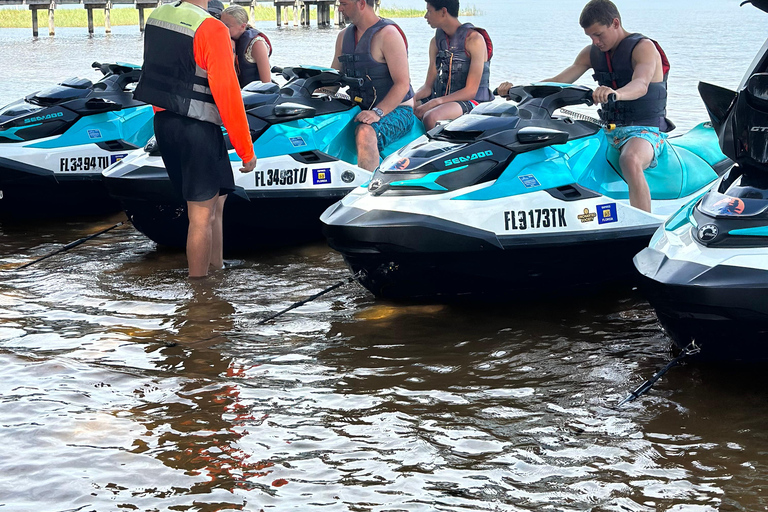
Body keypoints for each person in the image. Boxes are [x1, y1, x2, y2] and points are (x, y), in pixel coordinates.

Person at [498, 0, 670, 213]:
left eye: (599, 34)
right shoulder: (591, 53)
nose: (595, 41)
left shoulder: (643, 48)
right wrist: (519, 90)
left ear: (615, 23)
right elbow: (558, 81)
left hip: (645, 129)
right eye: (590, 36)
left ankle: (645, 226)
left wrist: (615, 93)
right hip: (609, 128)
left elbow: (641, 85)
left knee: (630, 159)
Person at [134, 0, 258, 278]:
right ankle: (200, 294)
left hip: (165, 123)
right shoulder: (211, 28)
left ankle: (217, 269)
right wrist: (246, 151)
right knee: (201, 216)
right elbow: (228, 94)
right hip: (197, 129)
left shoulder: (158, 16)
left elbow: (157, 73)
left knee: (217, 203)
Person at [331, 0, 416, 171]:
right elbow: (333, 77)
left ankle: (368, 190)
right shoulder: (343, 37)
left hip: (398, 110)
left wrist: (377, 112)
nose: (339, 8)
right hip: (360, 107)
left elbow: (402, 84)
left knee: (365, 133)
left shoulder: (389, 35)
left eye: (344, 4)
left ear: (361, 3)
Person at [413, 0, 494, 130]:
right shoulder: (435, 42)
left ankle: (436, 149)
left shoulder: (474, 40)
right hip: (443, 100)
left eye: (429, 11)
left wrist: (435, 102)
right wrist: (410, 99)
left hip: (473, 101)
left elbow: (471, 91)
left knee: (431, 117)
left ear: (443, 12)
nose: (425, 16)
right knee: (407, 108)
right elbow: (428, 87)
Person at [220, 5, 274, 88]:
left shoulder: (256, 44)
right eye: (221, 24)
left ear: (242, 26)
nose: (222, 29)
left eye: (227, 26)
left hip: (254, 95)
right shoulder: (227, 40)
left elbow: (266, 83)